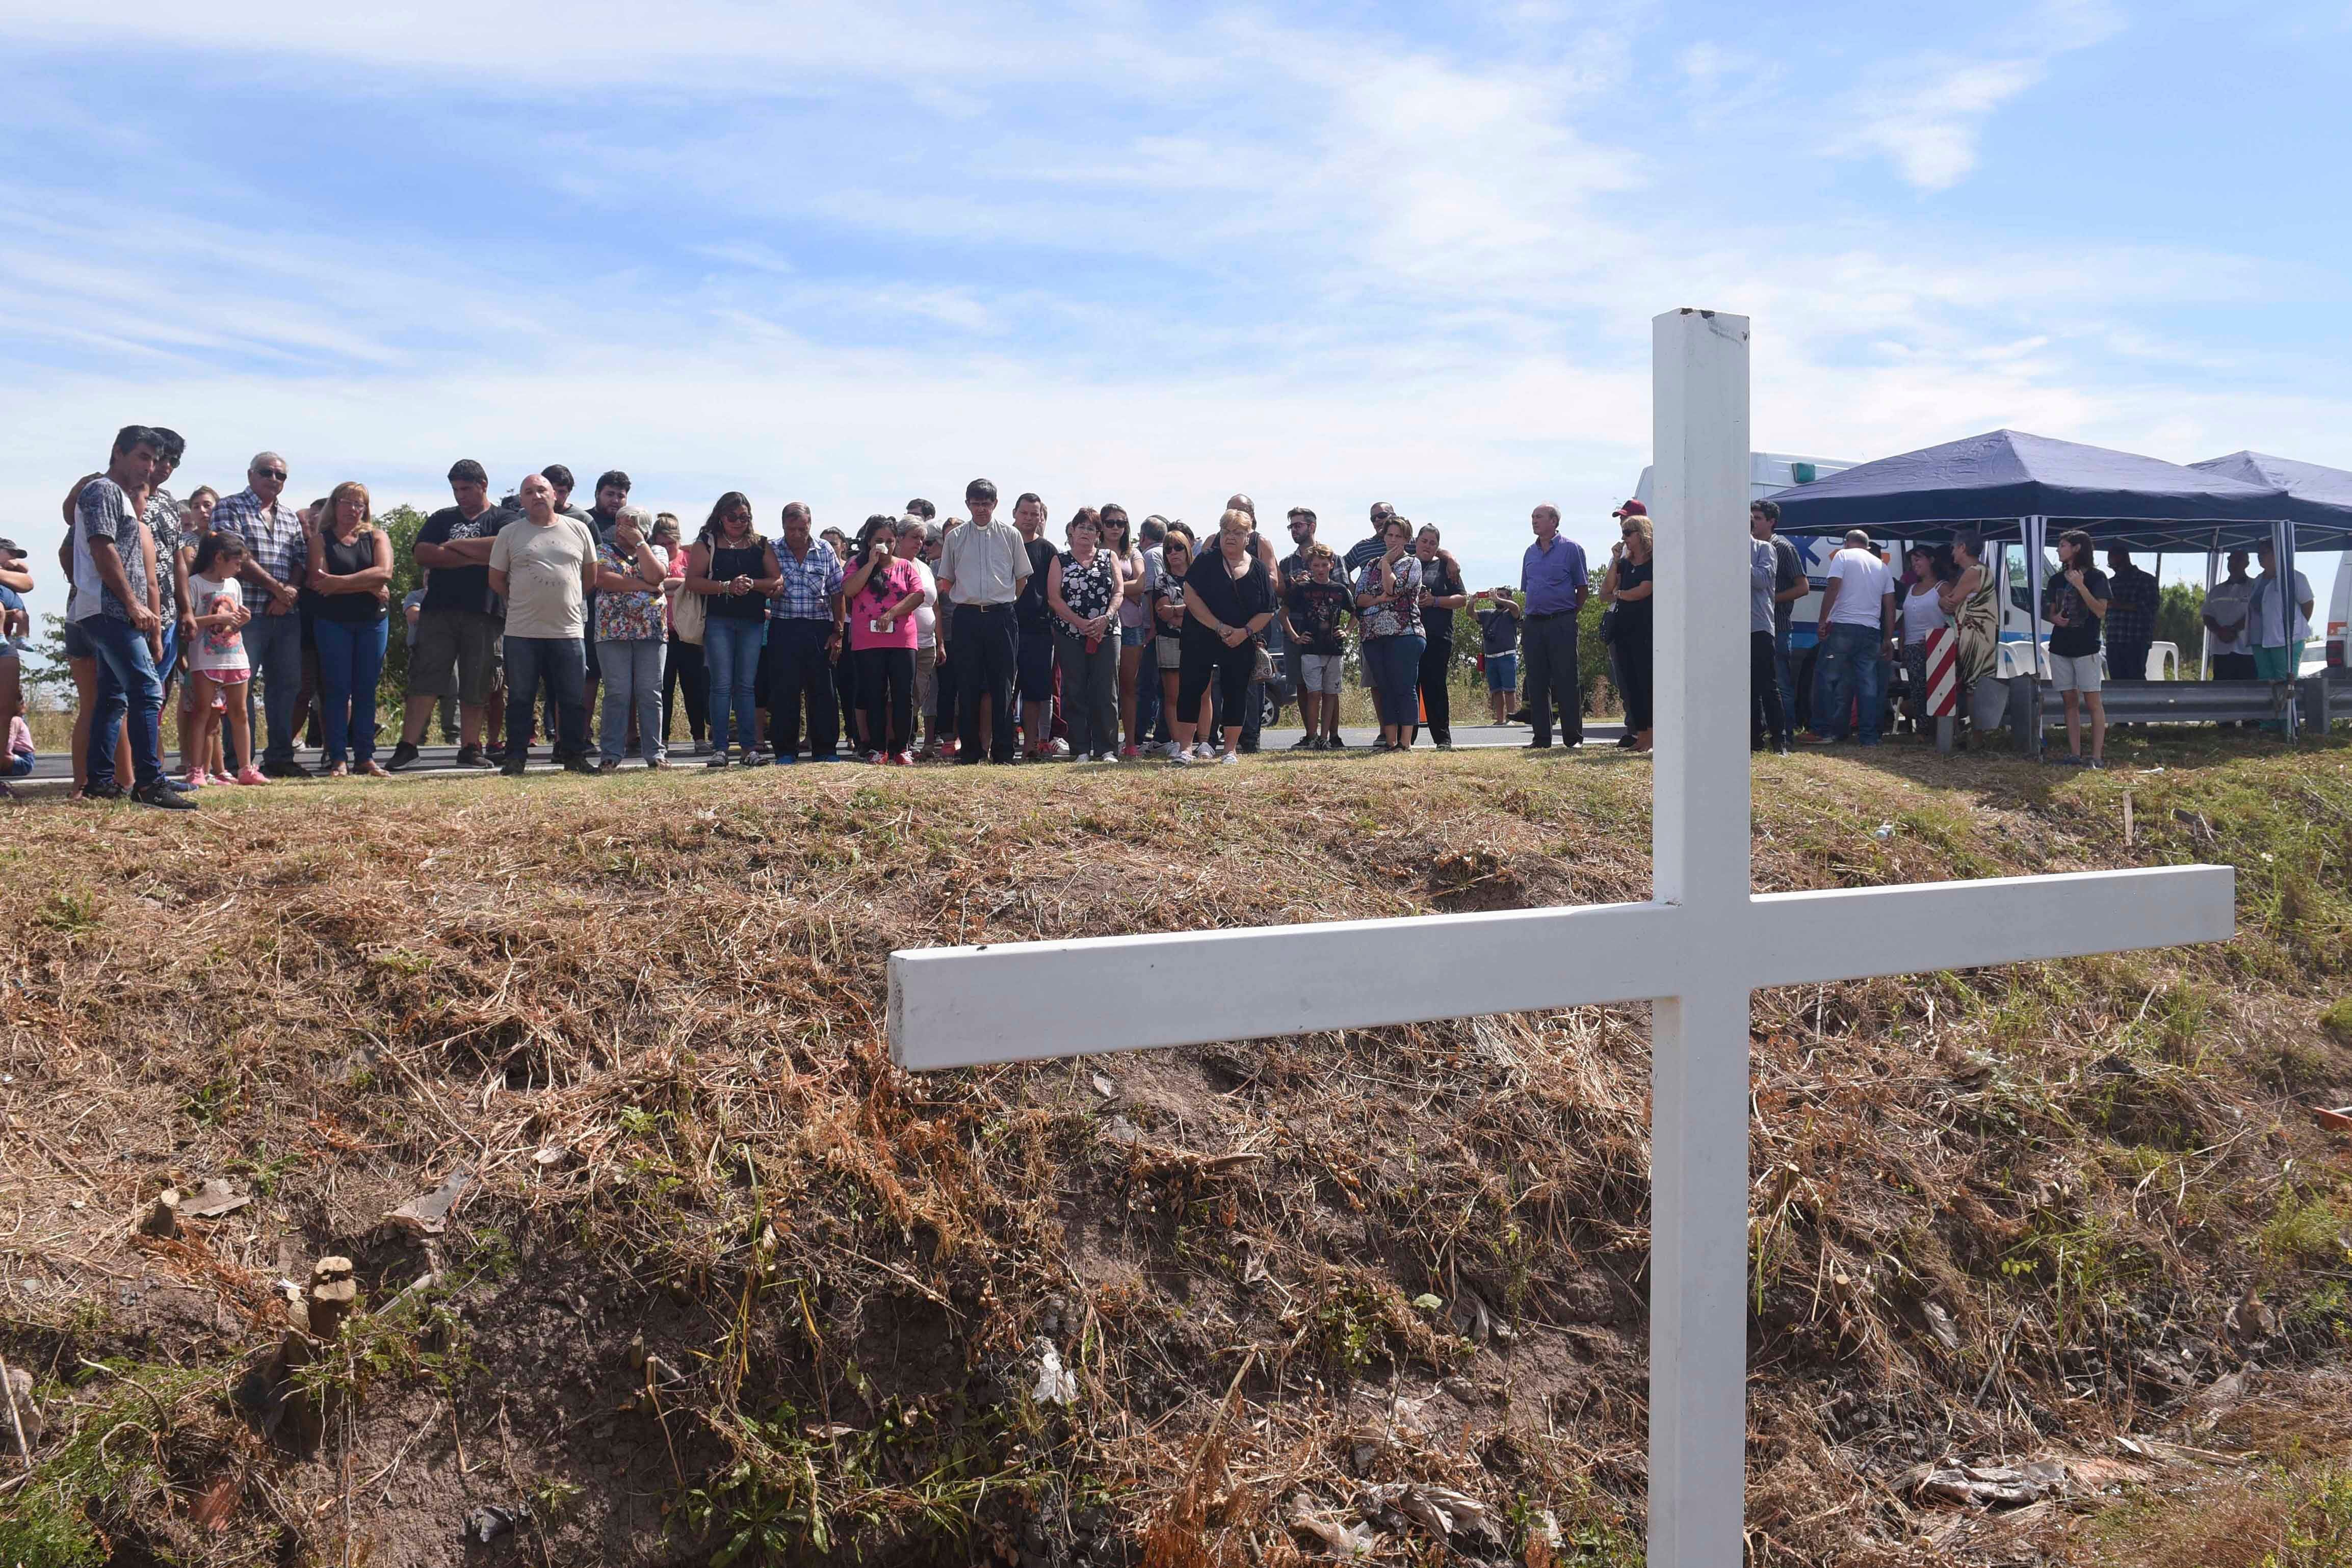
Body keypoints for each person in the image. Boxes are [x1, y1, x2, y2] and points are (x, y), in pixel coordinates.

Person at [72, 426, 192, 808]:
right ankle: (150, 784)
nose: (150, 466)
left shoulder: (121, 498)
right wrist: (132, 603)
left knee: (113, 698)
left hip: (116, 610)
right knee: (146, 690)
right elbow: (102, 548)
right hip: (109, 610)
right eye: (142, 456)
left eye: (154, 460)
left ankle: (100, 783)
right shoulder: (103, 491)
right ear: (118, 453)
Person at [388, 461, 508, 771]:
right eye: (455, 489)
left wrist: (453, 547)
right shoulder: (441, 518)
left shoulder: (504, 518)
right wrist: (473, 556)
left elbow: (502, 549)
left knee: (478, 680)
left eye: (466, 489)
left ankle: (470, 747)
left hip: (485, 611)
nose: (460, 496)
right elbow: (423, 554)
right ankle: (408, 746)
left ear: (483, 485)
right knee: (426, 678)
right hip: (438, 612)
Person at [488, 474, 598, 776]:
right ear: (521, 500)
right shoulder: (510, 533)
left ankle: (574, 755)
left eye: (542, 490)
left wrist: (566, 599)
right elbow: (496, 579)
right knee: (521, 698)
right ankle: (516, 758)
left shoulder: (579, 529)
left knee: (573, 698)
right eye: (529, 492)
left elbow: (590, 576)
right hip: (522, 631)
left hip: (568, 629)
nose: (536, 496)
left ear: (555, 496)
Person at [211, 451, 311, 777]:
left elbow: (300, 558)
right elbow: (235, 554)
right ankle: (240, 761)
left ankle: (281, 757)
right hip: (245, 613)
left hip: (284, 614)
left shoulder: (290, 517)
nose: (274, 480)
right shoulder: (229, 506)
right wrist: (276, 589)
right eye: (267, 473)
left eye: (281, 475)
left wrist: (290, 592)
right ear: (251, 474)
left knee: (287, 685)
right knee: (241, 685)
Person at [938, 478, 1030, 765]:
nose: (981, 509)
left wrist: (1004, 601)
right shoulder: (955, 538)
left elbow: (1022, 578)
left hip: (1001, 616)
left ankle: (1003, 752)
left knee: (1003, 685)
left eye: (986, 504)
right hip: (966, 616)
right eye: (976, 504)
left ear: (995, 504)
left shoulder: (1010, 535)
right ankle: (971, 751)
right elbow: (946, 579)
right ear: (968, 505)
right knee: (966, 685)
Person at [1173, 509, 1275, 764]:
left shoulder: (1260, 569)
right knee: (1191, 689)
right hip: (1201, 634)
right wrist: (1218, 626)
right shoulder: (1206, 560)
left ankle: (1230, 750)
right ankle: (1185, 749)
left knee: (1236, 691)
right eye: (1226, 531)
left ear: (1248, 536)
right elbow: (1190, 596)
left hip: (1241, 639)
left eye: (1238, 533)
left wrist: (1244, 633)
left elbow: (1268, 610)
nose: (1231, 537)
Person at [306, 480, 393, 776]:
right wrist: (368, 585)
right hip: (333, 623)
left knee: (366, 690)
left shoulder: (377, 536)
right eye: (347, 502)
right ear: (335, 504)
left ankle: (366, 757)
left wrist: (340, 583)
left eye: (360, 504)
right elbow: (319, 583)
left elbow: (385, 573)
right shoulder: (321, 540)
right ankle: (338, 758)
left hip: (373, 622)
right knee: (336, 690)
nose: (353, 509)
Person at [687, 493, 779, 768]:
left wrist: (753, 584)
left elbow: (776, 579)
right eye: (732, 517)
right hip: (718, 621)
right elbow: (693, 581)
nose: (739, 522)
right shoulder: (707, 543)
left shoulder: (761, 544)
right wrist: (726, 586)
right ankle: (720, 748)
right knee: (721, 685)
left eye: (744, 517)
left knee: (746, 687)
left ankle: (749, 748)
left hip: (752, 621)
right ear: (720, 516)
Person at [764, 501, 846, 762]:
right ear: (783, 526)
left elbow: (837, 592)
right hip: (784, 627)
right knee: (784, 691)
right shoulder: (772, 549)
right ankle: (785, 751)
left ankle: (825, 750)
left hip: (819, 628)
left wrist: (838, 632)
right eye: (792, 529)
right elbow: (765, 586)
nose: (797, 534)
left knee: (823, 691)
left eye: (802, 528)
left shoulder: (825, 550)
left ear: (810, 524)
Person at [590, 504, 670, 771]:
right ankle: (611, 755)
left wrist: (640, 545)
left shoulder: (656, 550)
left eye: (629, 524)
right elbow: (604, 579)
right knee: (617, 693)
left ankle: (655, 754)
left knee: (650, 692)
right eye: (619, 523)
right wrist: (645, 587)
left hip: (651, 631)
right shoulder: (603, 551)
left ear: (643, 528)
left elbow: (657, 574)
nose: (621, 529)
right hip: (612, 631)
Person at [184, 531, 266, 786]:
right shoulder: (195, 583)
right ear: (219, 558)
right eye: (237, 562)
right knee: (203, 713)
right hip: (205, 659)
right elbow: (188, 622)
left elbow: (235, 623)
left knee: (240, 712)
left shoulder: (234, 586)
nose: (239, 569)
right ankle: (197, 769)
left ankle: (245, 768)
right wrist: (216, 619)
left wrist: (243, 620)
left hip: (234, 656)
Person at [842, 514, 925, 764]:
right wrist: (871, 564)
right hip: (868, 641)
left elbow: (918, 594)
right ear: (869, 542)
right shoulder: (857, 565)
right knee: (873, 694)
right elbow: (849, 590)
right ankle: (877, 748)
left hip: (902, 639)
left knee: (902, 695)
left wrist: (891, 614)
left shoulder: (906, 566)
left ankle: (902, 748)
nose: (885, 546)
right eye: (879, 541)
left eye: (890, 541)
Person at [1803, 529, 1895, 747]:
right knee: (1867, 685)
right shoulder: (1882, 567)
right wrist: (1888, 638)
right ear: (1868, 545)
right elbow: (1889, 606)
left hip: (1843, 627)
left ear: (1846, 543)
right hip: (1871, 631)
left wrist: (1823, 620)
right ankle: (1869, 737)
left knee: (1827, 679)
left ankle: (1823, 731)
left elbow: (1833, 587)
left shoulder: (1843, 556)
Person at [1046, 507, 1124, 762]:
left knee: (1106, 690)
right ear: (1072, 530)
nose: (1085, 532)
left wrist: (1107, 618)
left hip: (1107, 632)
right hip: (1070, 633)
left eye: (1091, 528)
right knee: (1075, 689)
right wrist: (1079, 622)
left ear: (1098, 534)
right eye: (1081, 527)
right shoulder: (1061, 560)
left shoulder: (1108, 556)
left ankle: (1107, 748)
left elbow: (1119, 592)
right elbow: (1054, 599)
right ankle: (1080, 748)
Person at [1519, 503, 1588, 749]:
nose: (1534, 521)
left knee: (1567, 680)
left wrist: (1569, 615)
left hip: (1562, 622)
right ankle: (1542, 738)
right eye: (1532, 517)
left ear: (1554, 522)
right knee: (1537, 682)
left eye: (1539, 517)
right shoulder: (1530, 552)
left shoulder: (1572, 550)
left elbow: (1582, 589)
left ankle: (1573, 739)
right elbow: (1528, 589)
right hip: (1534, 624)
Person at [1353, 514, 1425, 751]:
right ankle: (1390, 741)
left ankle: (1405, 743)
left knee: (1404, 687)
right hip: (1373, 635)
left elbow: (1393, 587)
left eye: (1399, 536)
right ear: (1383, 536)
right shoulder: (1370, 565)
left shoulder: (1412, 563)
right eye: (1389, 535)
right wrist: (1379, 598)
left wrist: (1386, 565)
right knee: (1384, 689)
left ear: (1407, 539)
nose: (1393, 540)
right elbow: (1358, 598)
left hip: (1405, 633)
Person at [2041, 529, 2110, 766]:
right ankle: (2074, 753)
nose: (2059, 550)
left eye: (2063, 545)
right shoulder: (2055, 580)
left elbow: (2101, 611)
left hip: (2087, 647)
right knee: (2069, 700)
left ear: (2077, 548)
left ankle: (2097, 757)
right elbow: (2049, 612)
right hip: (2060, 646)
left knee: (2093, 702)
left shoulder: (2097, 577)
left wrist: (2081, 586)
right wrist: (2054, 619)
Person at [1283, 543, 1350, 750]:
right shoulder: (1302, 589)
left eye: (1324, 565)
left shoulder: (1340, 590)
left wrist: (1346, 631)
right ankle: (1311, 736)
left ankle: (1326, 738)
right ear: (1310, 566)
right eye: (1316, 565)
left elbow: (1356, 612)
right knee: (1314, 693)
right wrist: (1295, 637)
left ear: (1331, 565)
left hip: (1333, 649)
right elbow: (1282, 613)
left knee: (1330, 694)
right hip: (1310, 649)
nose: (1320, 569)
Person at [1599, 511, 1656, 752]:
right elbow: (1604, 592)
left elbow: (1644, 591)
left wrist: (1619, 595)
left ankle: (1652, 737)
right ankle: (1641, 736)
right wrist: (1615, 560)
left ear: (1641, 535)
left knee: (1646, 683)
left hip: (1646, 628)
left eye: (1627, 533)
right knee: (1630, 683)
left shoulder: (1654, 562)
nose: (1624, 538)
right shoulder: (1624, 563)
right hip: (1623, 628)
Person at [1096, 505, 1149, 757]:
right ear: (1101, 525)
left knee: (1128, 686)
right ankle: (1102, 743)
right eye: (1110, 523)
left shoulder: (1133, 552)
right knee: (1103, 687)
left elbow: (1141, 583)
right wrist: (1123, 590)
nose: (1116, 527)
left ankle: (1130, 743)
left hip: (1130, 626)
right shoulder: (1092, 551)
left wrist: (1112, 588)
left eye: (1121, 523)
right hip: (1099, 626)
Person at [2248, 538, 2314, 734]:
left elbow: (2307, 604)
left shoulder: (2295, 577)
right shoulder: (2259, 580)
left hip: (2286, 639)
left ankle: (2287, 725)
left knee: (2284, 680)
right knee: (2266, 679)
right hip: (2260, 639)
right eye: (2258, 554)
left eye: (2265, 553)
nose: (2260, 557)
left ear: (2278, 554)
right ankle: (2269, 724)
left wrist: (2293, 629)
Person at [1750, 500, 1806, 725]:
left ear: (1772, 522)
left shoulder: (1782, 548)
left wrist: (1769, 600)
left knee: (1778, 683)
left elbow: (1803, 587)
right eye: (1751, 517)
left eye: (1758, 518)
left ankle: (1786, 733)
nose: (1753, 522)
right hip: (1752, 626)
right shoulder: (1749, 547)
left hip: (1777, 625)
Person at [1941, 528, 2000, 738]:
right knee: (1975, 684)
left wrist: (1943, 599)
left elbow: (1950, 603)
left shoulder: (1973, 571)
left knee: (1972, 685)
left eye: (1954, 548)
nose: (1952, 553)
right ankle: (1977, 732)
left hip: (1974, 635)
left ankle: (1976, 734)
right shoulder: (1984, 570)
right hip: (1983, 634)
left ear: (1963, 548)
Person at [893, 516, 944, 758]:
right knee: (899, 695)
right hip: (901, 641)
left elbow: (935, 607)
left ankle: (905, 742)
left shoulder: (924, 567)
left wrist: (940, 641)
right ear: (900, 538)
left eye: (923, 539)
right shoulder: (891, 565)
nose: (920, 543)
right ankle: (894, 744)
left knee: (917, 697)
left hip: (927, 643)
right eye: (914, 538)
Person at [1413, 525, 1467, 749]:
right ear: (1416, 541)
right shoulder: (1407, 564)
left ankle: (1443, 739)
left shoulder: (1446, 566)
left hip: (1438, 636)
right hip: (1409, 636)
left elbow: (1462, 599)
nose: (1428, 546)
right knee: (1410, 687)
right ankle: (1407, 738)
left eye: (1433, 543)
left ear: (1438, 546)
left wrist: (1435, 601)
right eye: (1424, 541)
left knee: (1435, 686)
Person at [1896, 545, 1948, 737]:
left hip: (1937, 646)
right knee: (1918, 690)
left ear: (1931, 561)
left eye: (1919, 559)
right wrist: (1901, 641)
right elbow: (1907, 618)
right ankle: (1923, 730)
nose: (1915, 564)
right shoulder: (1911, 589)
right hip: (1912, 646)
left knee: (1936, 690)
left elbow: (1955, 617)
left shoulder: (1942, 587)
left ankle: (1938, 731)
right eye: (1912, 561)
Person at [1750, 532, 1792, 754]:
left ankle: (1779, 741)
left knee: (1767, 685)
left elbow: (1761, 580)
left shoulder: (1764, 549)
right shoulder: (1723, 551)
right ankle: (1754, 740)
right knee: (1745, 688)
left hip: (1759, 627)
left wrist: (1736, 560)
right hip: (1732, 629)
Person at [2102, 547, 2158, 686]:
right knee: (2116, 681)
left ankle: (2140, 708)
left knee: (2136, 680)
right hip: (2114, 639)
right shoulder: (2110, 583)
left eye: (2113, 565)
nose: (2113, 569)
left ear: (2124, 559)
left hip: (2137, 640)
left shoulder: (2147, 580)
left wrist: (2118, 605)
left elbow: (2151, 608)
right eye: (2110, 566)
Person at [2203, 550, 2257, 683]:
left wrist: (2234, 629)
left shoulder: (2255, 586)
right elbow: (2207, 615)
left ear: (2247, 564)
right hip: (2221, 651)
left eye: (2238, 559)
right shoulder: (2216, 590)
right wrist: (2220, 631)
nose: (2233, 563)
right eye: (2231, 559)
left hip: (2248, 651)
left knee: (2248, 692)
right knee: (2222, 692)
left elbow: (2256, 613)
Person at [1473, 586, 1521, 725]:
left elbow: (1516, 608)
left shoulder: (1511, 613)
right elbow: (1471, 614)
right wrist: (1472, 602)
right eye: (1497, 594)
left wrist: (1498, 599)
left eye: (1502, 595)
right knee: (1496, 691)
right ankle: (1500, 720)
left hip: (1507, 656)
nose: (1498, 597)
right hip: (1490, 658)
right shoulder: (1488, 614)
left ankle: (1510, 719)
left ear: (1509, 598)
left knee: (1509, 690)